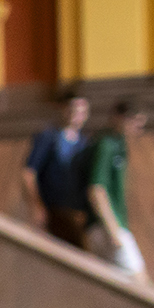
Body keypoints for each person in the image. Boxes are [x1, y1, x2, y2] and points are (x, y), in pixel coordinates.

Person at [83, 103, 148, 281]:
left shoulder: (119, 144)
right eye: (135, 123)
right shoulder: (106, 144)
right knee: (139, 281)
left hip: (112, 224)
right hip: (107, 225)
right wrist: (112, 228)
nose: (137, 130)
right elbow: (96, 189)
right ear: (121, 118)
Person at [22, 93, 93, 248]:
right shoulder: (48, 137)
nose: (77, 116)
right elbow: (28, 173)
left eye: (82, 112)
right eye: (73, 110)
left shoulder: (85, 143)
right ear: (63, 109)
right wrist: (36, 205)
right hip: (53, 209)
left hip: (77, 212)